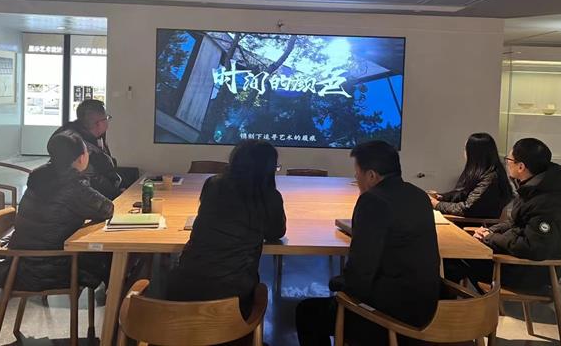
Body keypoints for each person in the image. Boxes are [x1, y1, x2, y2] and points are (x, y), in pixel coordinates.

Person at [296, 141, 440, 346]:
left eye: (357, 175)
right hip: (429, 310)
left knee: (307, 313)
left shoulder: (373, 201)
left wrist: (337, 283)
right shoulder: (419, 196)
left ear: (371, 176)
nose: (357, 180)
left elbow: (360, 273)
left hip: (392, 316)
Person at [445, 138, 561, 293]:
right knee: (455, 255)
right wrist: (490, 231)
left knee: (453, 259)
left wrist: (490, 238)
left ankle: (456, 306)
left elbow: (531, 247)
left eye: (509, 160)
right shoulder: (534, 188)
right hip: (516, 262)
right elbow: (514, 222)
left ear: (521, 166)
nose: (506, 163)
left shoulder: (549, 201)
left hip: (526, 273)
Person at [165, 140, 286, 318]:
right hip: (233, 303)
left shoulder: (213, 184)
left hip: (181, 294)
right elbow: (276, 233)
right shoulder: (269, 196)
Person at [9, 131, 114, 291]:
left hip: (21, 262)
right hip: (51, 267)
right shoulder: (72, 185)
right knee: (112, 252)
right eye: (87, 151)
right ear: (81, 158)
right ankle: (119, 299)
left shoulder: (40, 176)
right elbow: (107, 209)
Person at [429, 133, 513, 218]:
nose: (464, 153)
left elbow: (468, 208)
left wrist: (437, 204)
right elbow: (462, 193)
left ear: (474, 153)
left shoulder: (491, 177)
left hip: (476, 224)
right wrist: (441, 197)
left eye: (466, 149)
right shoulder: (478, 172)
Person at [52, 99, 121, 199]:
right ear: (98, 123)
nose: (108, 120)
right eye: (107, 118)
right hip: (89, 201)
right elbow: (91, 181)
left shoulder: (95, 136)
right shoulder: (77, 145)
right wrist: (117, 194)